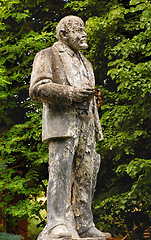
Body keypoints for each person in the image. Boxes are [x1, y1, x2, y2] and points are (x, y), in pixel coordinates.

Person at [30, 15, 111, 240]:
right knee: (61, 172)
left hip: (87, 127)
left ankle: (84, 223)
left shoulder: (87, 63)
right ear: (63, 34)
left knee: (87, 173)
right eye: (78, 30)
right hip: (63, 124)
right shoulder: (47, 55)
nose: (84, 34)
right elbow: (37, 89)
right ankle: (57, 223)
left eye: (83, 29)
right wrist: (71, 94)